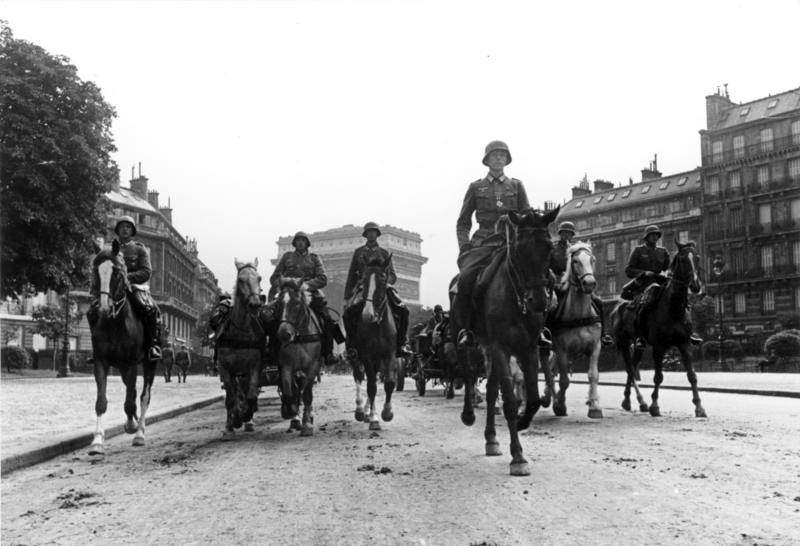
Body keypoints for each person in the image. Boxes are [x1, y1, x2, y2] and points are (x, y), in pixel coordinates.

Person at [454, 140, 547, 347]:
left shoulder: (516, 185)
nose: (498, 158)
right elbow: (463, 222)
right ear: (487, 160)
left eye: (502, 155)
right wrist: (465, 246)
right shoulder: (476, 187)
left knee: (542, 275)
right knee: (465, 280)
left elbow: (526, 214)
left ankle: (540, 328)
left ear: (506, 160)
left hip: (512, 241)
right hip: (484, 241)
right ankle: (468, 329)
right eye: (494, 155)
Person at [87, 216, 162, 361]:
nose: (125, 229)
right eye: (122, 227)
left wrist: (127, 277)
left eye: (128, 227)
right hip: (112, 288)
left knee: (150, 309)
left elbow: (146, 271)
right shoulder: (109, 249)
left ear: (132, 230)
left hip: (132, 287)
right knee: (92, 311)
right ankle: (95, 348)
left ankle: (152, 345)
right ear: (117, 230)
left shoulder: (140, 249)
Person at [269, 231, 345, 363]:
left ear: (307, 243)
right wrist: (287, 284)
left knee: (327, 319)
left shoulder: (314, 258)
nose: (300, 243)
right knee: (271, 318)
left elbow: (323, 278)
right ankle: (272, 351)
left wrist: (304, 285)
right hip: (288, 294)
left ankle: (328, 353)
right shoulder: (287, 257)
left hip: (310, 295)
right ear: (294, 243)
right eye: (298, 240)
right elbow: (275, 277)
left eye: (303, 240)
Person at [623, 224, 702, 348]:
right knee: (643, 306)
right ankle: (640, 337)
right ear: (646, 237)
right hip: (643, 285)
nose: (655, 237)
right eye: (652, 235)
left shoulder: (663, 251)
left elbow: (668, 268)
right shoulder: (638, 250)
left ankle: (688, 332)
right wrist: (643, 273)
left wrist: (668, 273)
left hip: (660, 283)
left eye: (656, 235)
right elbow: (628, 270)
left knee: (680, 301)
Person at [342, 222, 409, 357]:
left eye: (373, 232)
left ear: (377, 234)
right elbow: (351, 275)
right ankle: (351, 346)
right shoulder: (358, 252)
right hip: (363, 289)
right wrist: (347, 296)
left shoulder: (384, 253)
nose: (371, 234)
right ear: (365, 234)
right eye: (369, 232)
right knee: (347, 314)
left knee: (403, 311)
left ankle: (401, 344)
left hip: (382, 288)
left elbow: (393, 276)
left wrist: (383, 283)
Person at [549, 221, 614, 347]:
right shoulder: (554, 249)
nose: (567, 235)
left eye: (569, 233)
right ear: (560, 234)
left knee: (598, 303)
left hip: (578, 284)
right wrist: (556, 281)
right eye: (564, 233)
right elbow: (549, 268)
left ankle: (603, 335)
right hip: (560, 284)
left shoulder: (578, 250)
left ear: (572, 235)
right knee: (551, 306)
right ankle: (548, 333)